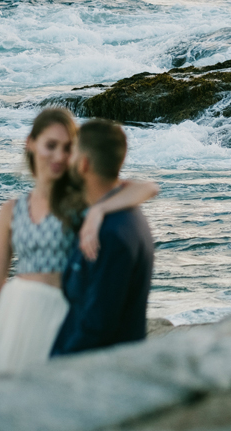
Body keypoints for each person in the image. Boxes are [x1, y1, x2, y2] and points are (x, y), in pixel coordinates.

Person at [0, 108, 158, 378]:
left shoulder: (80, 201)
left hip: (60, 314)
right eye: (51, 146)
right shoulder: (12, 210)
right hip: (16, 315)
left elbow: (147, 187)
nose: (59, 156)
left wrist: (99, 211)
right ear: (31, 143)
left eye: (67, 148)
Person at [51, 119, 155, 357]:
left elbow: (97, 327)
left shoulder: (111, 235)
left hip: (92, 376)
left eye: (73, 153)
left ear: (84, 164)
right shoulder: (121, 217)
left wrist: (53, 369)